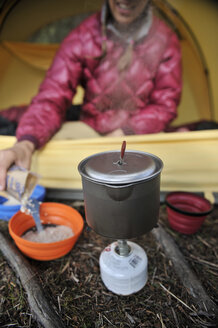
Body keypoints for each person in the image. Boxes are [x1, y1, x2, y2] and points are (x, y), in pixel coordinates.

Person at [0, 0, 182, 190]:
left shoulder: (165, 40)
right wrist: (25, 144)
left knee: (155, 167)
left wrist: (126, 131)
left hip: (139, 134)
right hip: (91, 131)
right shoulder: (84, 36)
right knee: (46, 148)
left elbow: (165, 105)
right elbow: (51, 96)